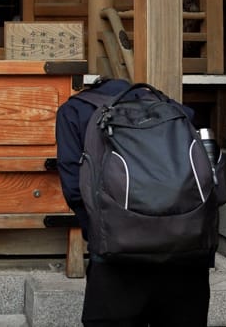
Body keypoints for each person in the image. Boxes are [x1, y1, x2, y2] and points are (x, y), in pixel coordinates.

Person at [55, 78, 211, 327]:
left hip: (116, 258)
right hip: (186, 253)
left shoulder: (74, 111)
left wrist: (99, 232)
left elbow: (75, 190)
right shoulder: (178, 110)